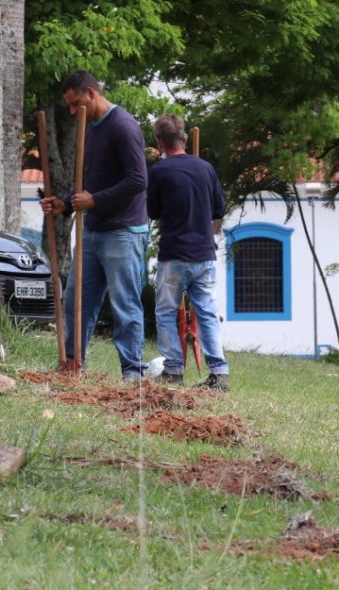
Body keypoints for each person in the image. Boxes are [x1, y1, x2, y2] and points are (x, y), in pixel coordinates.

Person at [40, 70, 149, 381]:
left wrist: (95, 200)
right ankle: (72, 365)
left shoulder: (124, 127)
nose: (73, 112)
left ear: (90, 93)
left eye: (75, 104)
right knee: (76, 302)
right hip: (93, 231)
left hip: (123, 232)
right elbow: (88, 184)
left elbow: (138, 181)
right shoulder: (90, 129)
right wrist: (64, 203)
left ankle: (133, 373)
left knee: (125, 305)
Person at [147, 114, 230, 391]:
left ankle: (173, 370)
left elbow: (152, 212)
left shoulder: (159, 172)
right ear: (183, 137)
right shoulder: (206, 168)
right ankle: (219, 372)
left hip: (174, 255)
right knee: (206, 312)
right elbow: (219, 209)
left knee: (166, 312)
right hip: (204, 254)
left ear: (160, 142)